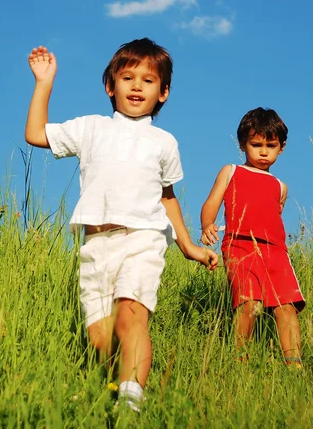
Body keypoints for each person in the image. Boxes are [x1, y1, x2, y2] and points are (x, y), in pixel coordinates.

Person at [25, 38, 218, 411]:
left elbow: (167, 197)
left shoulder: (164, 142)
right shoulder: (90, 128)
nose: (136, 86)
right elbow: (35, 134)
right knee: (101, 338)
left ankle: (132, 401)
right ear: (110, 86)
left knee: (131, 317)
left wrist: (187, 245)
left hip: (143, 240)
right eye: (127, 77)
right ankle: (113, 391)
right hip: (95, 245)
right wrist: (44, 83)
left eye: (148, 81)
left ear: (163, 93)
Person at [200, 107, 305, 368]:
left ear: (281, 147)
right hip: (240, 245)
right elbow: (211, 202)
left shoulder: (281, 186)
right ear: (243, 144)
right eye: (255, 144)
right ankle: (240, 361)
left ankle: (295, 365)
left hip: (276, 252)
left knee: (287, 306)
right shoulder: (231, 171)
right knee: (249, 303)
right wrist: (207, 224)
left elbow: (274, 215)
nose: (263, 151)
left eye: (271, 145)